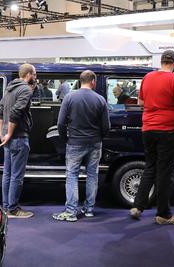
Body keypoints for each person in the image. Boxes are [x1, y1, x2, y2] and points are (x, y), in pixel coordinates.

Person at [129, 50, 174, 225]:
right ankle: (163, 214)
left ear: (161, 61)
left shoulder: (147, 77)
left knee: (150, 167)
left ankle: (138, 206)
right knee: (165, 173)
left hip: (148, 128)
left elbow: (141, 102)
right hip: (168, 130)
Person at [52, 70, 110, 222]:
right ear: (93, 82)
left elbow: (60, 123)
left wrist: (65, 139)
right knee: (92, 176)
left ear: (80, 81)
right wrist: (99, 138)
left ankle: (71, 211)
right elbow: (106, 126)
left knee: (72, 175)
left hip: (75, 143)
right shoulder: (100, 100)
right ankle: (89, 209)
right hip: (95, 143)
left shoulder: (69, 97)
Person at [0, 63, 37, 218]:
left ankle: (6, 207)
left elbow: (0, 110)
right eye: (34, 74)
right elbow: (16, 112)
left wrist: (0, 133)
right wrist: (9, 133)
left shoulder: (9, 88)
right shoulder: (25, 90)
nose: (35, 77)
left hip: (6, 138)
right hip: (17, 137)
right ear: (29, 74)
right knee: (17, 175)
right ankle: (13, 209)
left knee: (8, 174)